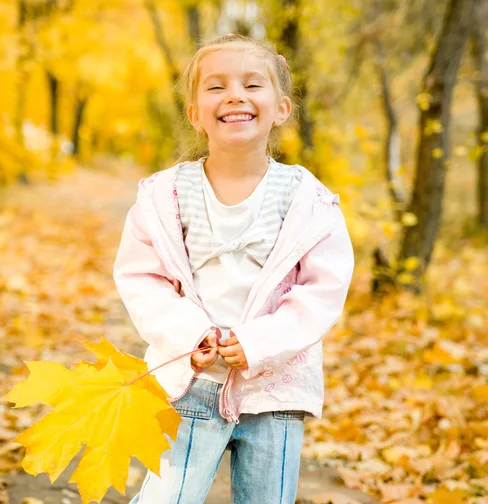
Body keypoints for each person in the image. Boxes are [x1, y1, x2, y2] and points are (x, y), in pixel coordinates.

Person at [114, 33, 354, 504]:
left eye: (252, 84)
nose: (235, 96)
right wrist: (190, 336)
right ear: (195, 114)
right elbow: (143, 278)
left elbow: (321, 290)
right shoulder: (167, 197)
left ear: (281, 108)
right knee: (168, 497)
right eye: (216, 86)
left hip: (275, 388)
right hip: (192, 382)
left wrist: (260, 343)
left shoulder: (306, 200)